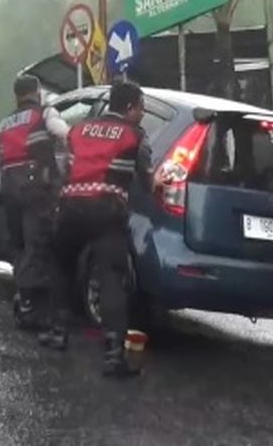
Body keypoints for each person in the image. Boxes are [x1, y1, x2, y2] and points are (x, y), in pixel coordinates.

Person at [55, 80, 160, 378]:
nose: (142, 115)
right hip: (106, 212)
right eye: (140, 108)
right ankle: (114, 353)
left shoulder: (79, 130)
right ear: (129, 108)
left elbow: (66, 170)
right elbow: (146, 180)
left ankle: (57, 332)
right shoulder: (135, 136)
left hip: (71, 208)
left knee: (62, 266)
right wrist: (158, 185)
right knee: (112, 278)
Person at [0, 75, 69, 342]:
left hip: (8, 192)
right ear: (37, 92)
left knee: (21, 247)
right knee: (37, 246)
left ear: (17, 96)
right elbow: (64, 133)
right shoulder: (45, 113)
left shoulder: (4, 123)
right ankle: (31, 307)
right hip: (36, 190)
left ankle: (25, 300)